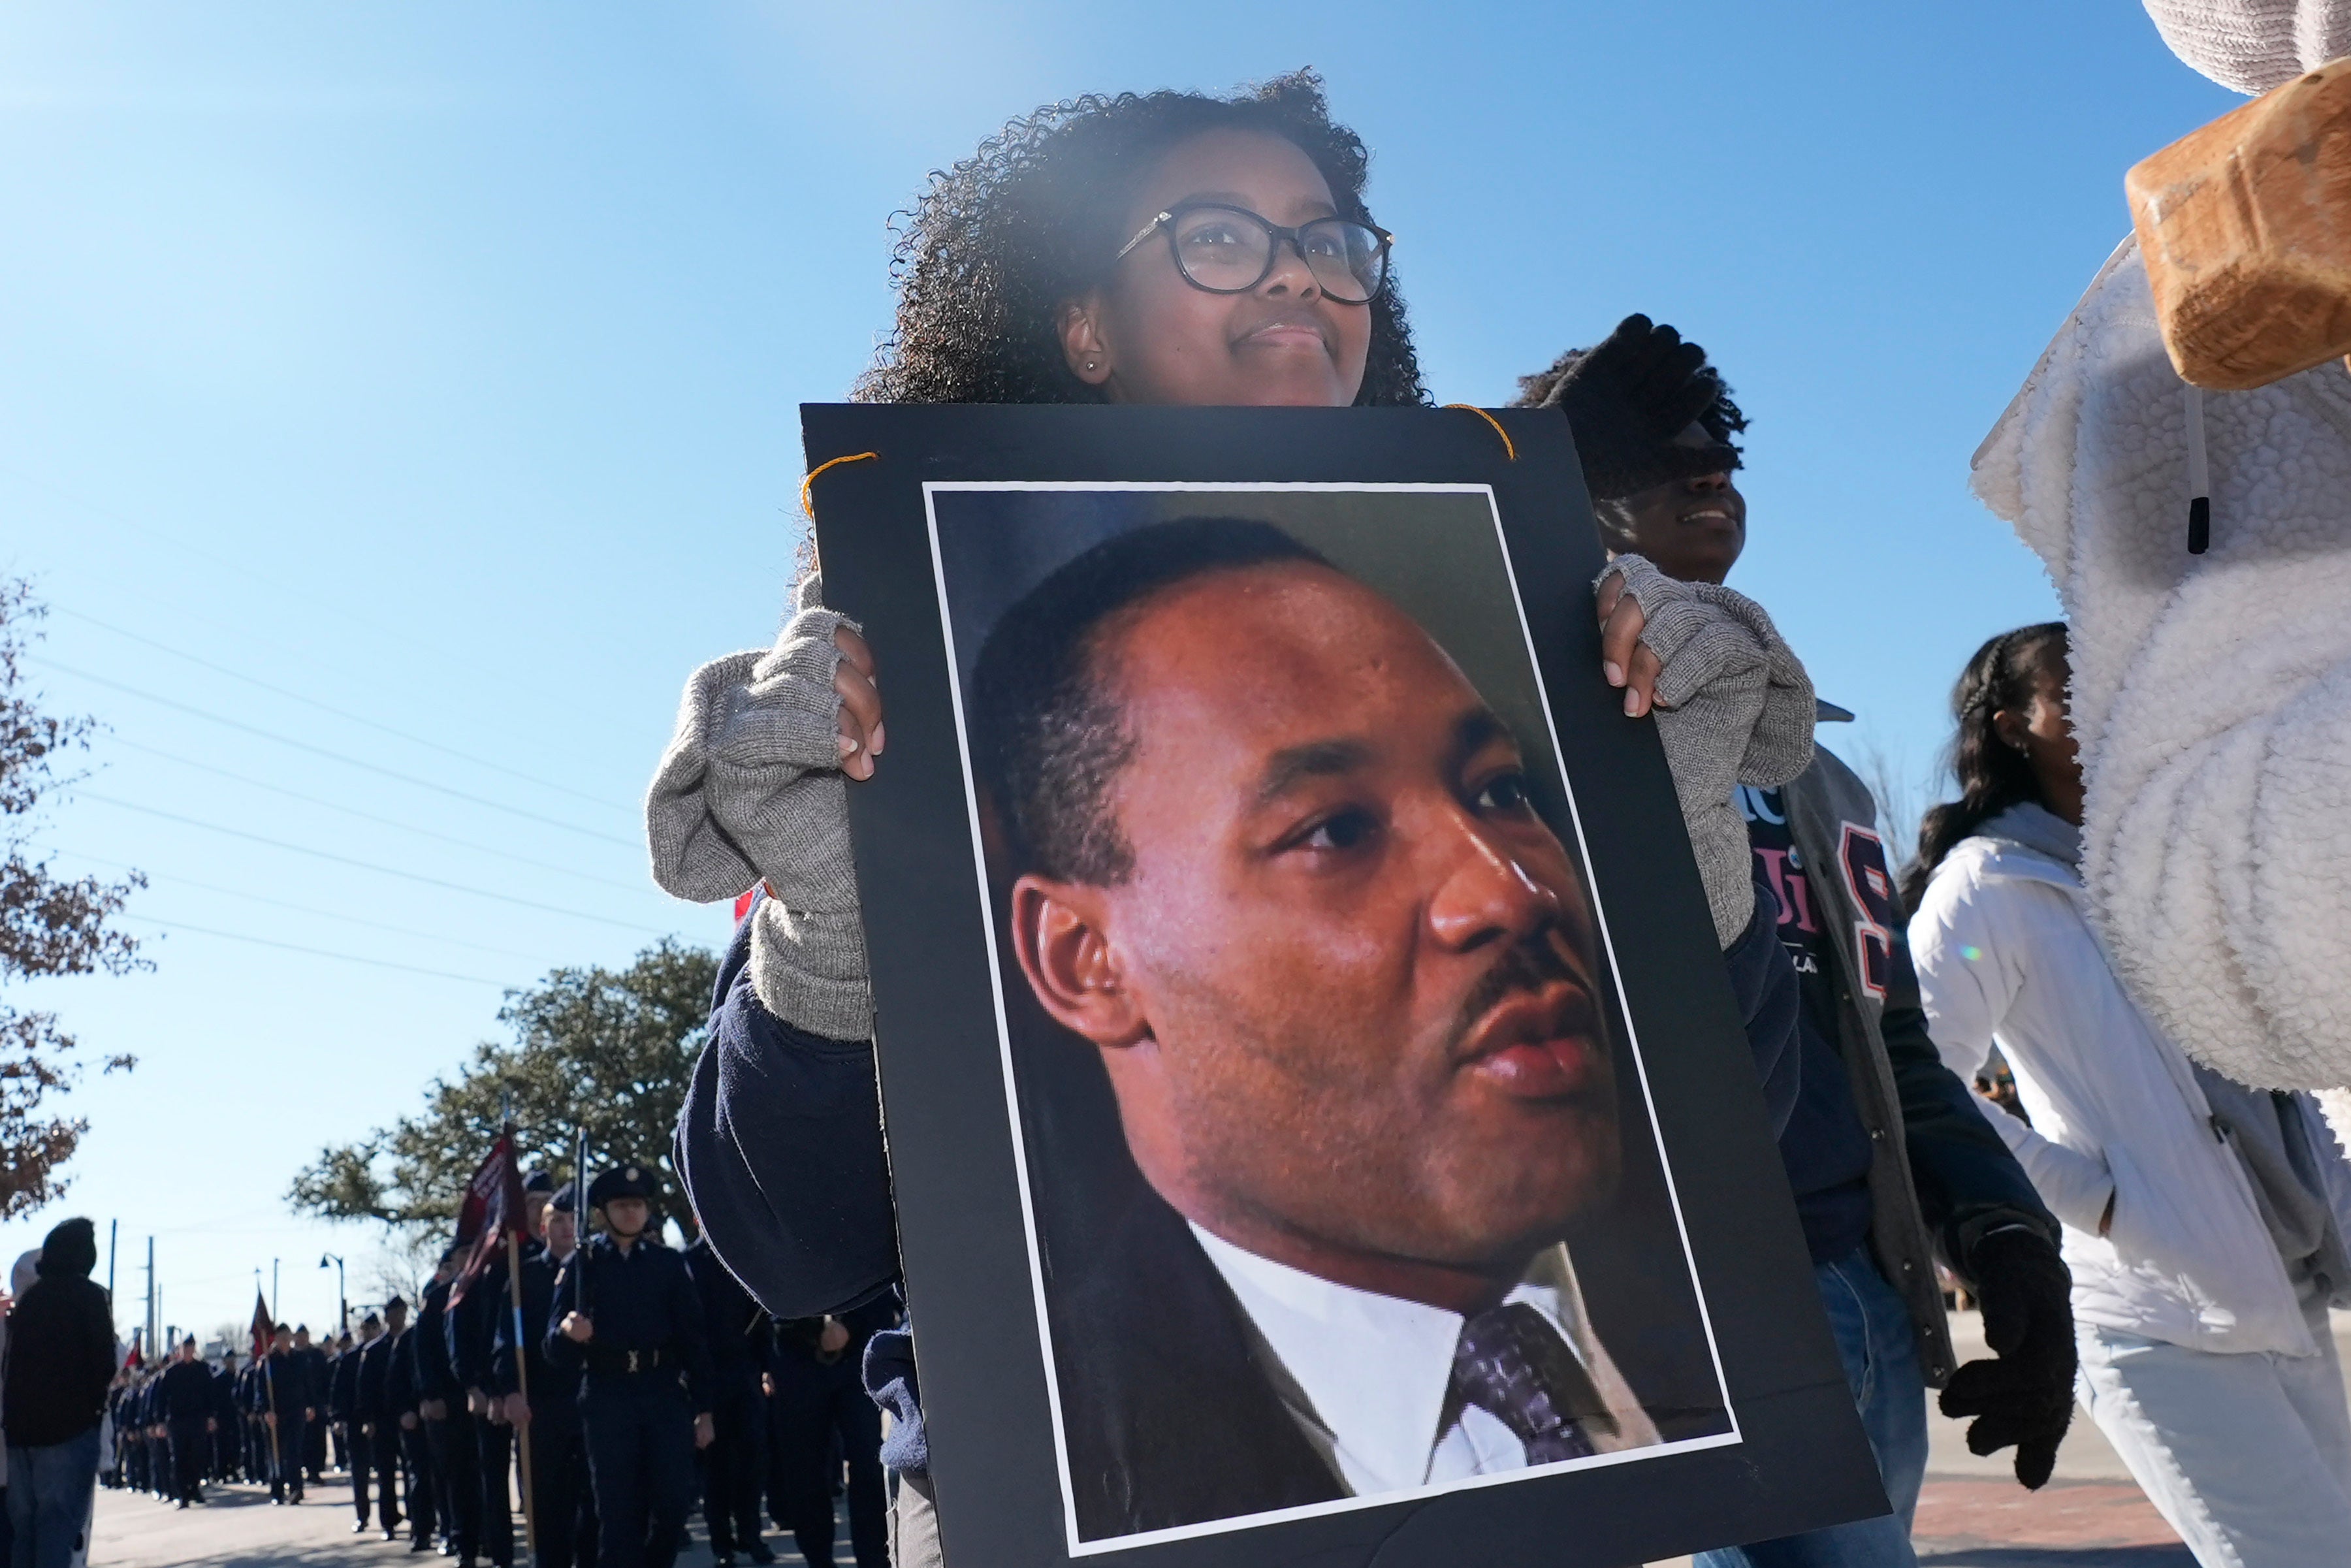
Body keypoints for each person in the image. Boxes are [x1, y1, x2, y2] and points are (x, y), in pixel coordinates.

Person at [654, 71, 1812, 1561]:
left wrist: (1680, 828)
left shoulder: (1553, 610)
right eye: (1216, 235)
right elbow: (795, 1243)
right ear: (1079, 323)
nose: (1296, 273)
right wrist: (826, 918)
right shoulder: (896, 651)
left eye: (1330, 242)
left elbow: (1741, 1137)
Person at [1518, 327, 2077, 1565]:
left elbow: (1894, 1038)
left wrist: (2005, 1234)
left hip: (1871, 1286)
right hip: (1720, 1297)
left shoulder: (1824, 780)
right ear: (1576, 495)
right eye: (1657, 455)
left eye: (1723, 453)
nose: (1710, 469)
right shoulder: (1532, 748)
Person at [1906, 624, 2351, 1567]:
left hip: (2281, 1280)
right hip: (2158, 1313)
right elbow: (1922, 1074)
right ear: (2014, 726)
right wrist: (2098, 1198)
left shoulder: (2163, 867)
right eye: (2078, 687)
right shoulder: (1989, 885)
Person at [547, 1165, 714, 1568]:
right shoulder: (582, 1264)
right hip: (608, 1395)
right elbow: (551, 1345)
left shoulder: (668, 1264)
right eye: (622, 1206)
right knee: (618, 1510)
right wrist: (570, 1333)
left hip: (663, 1394)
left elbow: (694, 1341)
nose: (632, 1213)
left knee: (673, 1503)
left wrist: (704, 1409)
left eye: (638, 1205)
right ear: (604, 1211)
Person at [495, 1182, 595, 1568]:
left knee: (593, 1498)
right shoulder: (524, 1279)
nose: (567, 1227)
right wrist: (510, 1392)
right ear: (544, 1229)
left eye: (573, 1220)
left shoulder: (593, 1271)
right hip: (542, 1402)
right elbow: (506, 1340)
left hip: (590, 1398)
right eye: (558, 1220)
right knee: (548, 1498)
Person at [2, 1219, 116, 1558]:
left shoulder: (30, 1301)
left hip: (21, 1436)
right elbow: (104, 1364)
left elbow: (11, 1367)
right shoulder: (91, 1297)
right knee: (57, 1528)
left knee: (25, 1531)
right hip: (69, 1433)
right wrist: (91, 1410)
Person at [767, 1304, 891, 1568]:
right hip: (794, 1354)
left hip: (857, 1353)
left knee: (867, 1460)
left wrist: (851, 1326)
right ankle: (818, 1558)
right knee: (805, 1469)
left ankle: (874, 1558)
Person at [681, 1221, 771, 1567]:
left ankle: (751, 1535)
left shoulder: (743, 1257)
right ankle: (722, 1543)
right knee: (715, 1465)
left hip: (745, 1371)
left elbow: (760, 1318)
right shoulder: (688, 1262)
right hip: (706, 1376)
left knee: (753, 1460)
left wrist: (766, 1365)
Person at [357, 1298, 413, 1542]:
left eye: (402, 1312)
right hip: (382, 1420)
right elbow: (365, 1389)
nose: (399, 1317)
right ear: (386, 1318)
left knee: (414, 1473)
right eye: (394, 1313)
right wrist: (368, 1419)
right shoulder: (374, 1351)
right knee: (386, 1474)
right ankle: (388, 1522)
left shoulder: (413, 1342)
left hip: (409, 1417)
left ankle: (418, 1520)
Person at [254, 1322, 317, 1505]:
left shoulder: (299, 1358)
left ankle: (296, 1489)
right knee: (276, 1454)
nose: (285, 1341)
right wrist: (265, 1411)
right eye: (281, 1338)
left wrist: (311, 1405)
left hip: (296, 1411)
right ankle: (277, 1491)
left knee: (294, 1452)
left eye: (287, 1337)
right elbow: (261, 1391)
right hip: (276, 1414)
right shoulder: (267, 1362)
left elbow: (308, 1384)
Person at [152, 1339, 215, 1512]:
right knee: (179, 1458)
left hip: (198, 1420)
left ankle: (194, 1489)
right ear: (180, 1351)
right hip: (177, 1422)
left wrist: (211, 1417)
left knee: (197, 1456)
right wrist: (160, 1422)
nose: (188, 1351)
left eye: (191, 1348)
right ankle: (182, 1495)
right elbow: (161, 1399)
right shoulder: (171, 1372)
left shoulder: (203, 1370)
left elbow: (210, 1394)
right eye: (185, 1348)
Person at [294, 1326, 329, 1484]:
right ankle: (304, 1469)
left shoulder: (317, 1354)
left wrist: (325, 1402)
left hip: (318, 1403)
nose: (302, 1339)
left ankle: (315, 1471)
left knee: (318, 1439)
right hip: (299, 1405)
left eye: (304, 1336)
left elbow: (326, 1379)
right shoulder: (293, 1357)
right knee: (303, 1441)